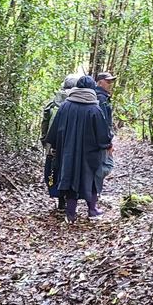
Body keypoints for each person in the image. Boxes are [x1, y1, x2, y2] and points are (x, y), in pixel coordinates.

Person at [45, 75, 112, 223]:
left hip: (67, 152)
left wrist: (55, 147)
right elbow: (103, 135)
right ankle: (92, 210)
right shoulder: (95, 109)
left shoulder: (65, 106)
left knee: (69, 178)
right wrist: (107, 145)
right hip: (90, 154)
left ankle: (70, 214)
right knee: (92, 179)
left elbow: (54, 131)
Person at [42, 76, 78, 211]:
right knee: (69, 171)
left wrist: (45, 141)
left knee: (52, 172)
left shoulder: (52, 104)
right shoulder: (76, 103)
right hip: (69, 145)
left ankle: (59, 199)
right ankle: (68, 198)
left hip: (52, 145)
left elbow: (45, 124)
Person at [94, 71, 117, 201]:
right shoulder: (101, 99)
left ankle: (94, 195)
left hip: (99, 139)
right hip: (100, 141)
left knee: (102, 166)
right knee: (103, 167)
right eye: (108, 81)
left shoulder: (102, 97)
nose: (110, 84)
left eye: (111, 82)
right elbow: (103, 122)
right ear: (100, 82)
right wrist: (107, 142)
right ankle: (95, 195)